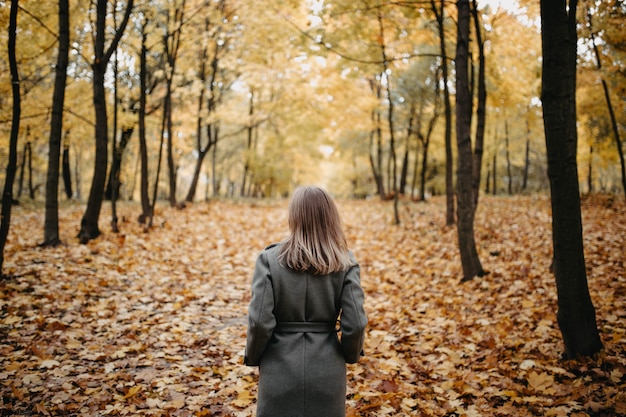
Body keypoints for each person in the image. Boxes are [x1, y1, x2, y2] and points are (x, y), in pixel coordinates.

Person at [244, 185, 368, 417]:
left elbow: (259, 321)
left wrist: (255, 357)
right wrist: (350, 355)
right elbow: (357, 322)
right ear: (330, 217)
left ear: (294, 216)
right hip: (327, 371)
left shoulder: (269, 260)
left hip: (279, 369)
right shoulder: (345, 262)